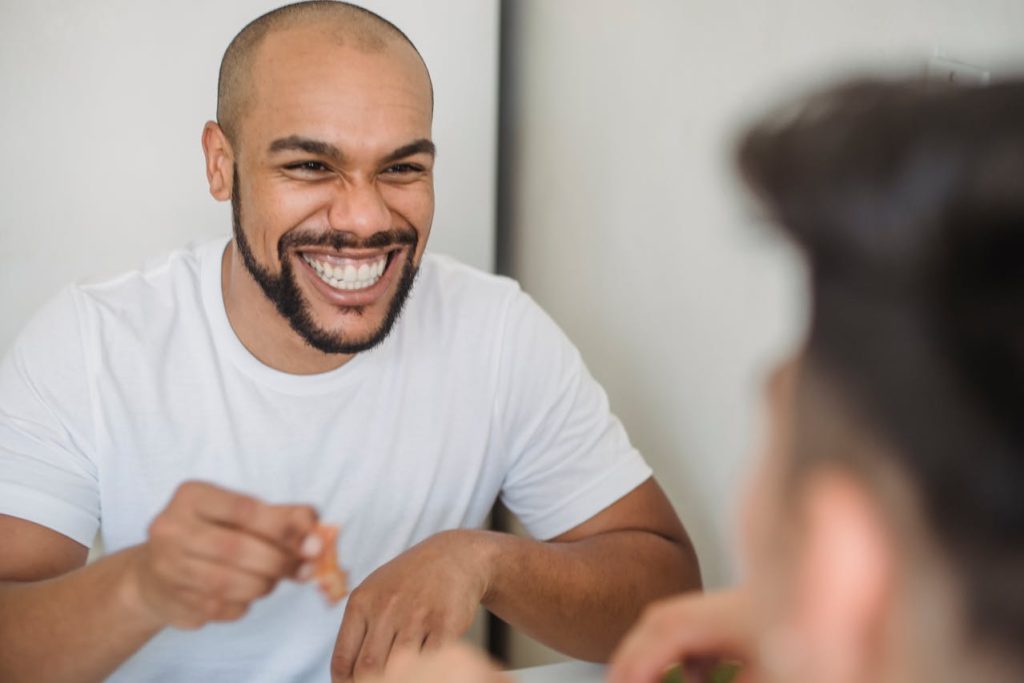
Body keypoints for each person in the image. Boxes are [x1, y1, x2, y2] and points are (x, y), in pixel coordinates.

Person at [0, 3, 702, 682]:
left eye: (401, 168)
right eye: (310, 166)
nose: (365, 218)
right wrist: (141, 585)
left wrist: (485, 560)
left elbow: (670, 599)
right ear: (221, 165)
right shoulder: (93, 341)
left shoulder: (496, 331)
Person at [367, 79, 1024, 682]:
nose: (363, 219)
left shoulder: (493, 327)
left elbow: (660, 575)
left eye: (776, 420)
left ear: (846, 582)